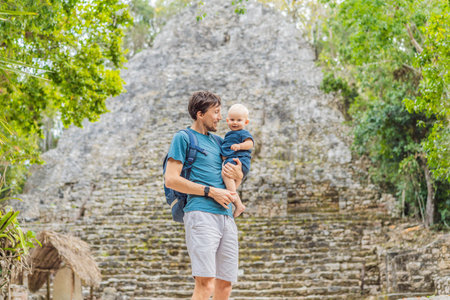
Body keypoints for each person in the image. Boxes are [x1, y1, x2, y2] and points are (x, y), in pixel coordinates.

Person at [164, 91, 244, 300]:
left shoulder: (220, 143)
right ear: (200, 114)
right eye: (216, 112)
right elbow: (171, 179)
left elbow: (232, 182)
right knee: (205, 282)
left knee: (225, 285)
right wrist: (210, 191)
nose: (220, 117)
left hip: (226, 216)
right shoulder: (184, 138)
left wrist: (238, 177)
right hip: (201, 214)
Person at [221, 104, 254, 218]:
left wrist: (240, 146)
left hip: (240, 160)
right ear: (227, 120)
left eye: (239, 120)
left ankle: (237, 203)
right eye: (232, 120)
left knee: (225, 174)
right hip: (233, 160)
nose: (235, 122)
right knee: (230, 181)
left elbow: (250, 143)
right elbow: (226, 149)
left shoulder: (242, 133)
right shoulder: (228, 135)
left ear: (246, 122)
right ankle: (236, 201)